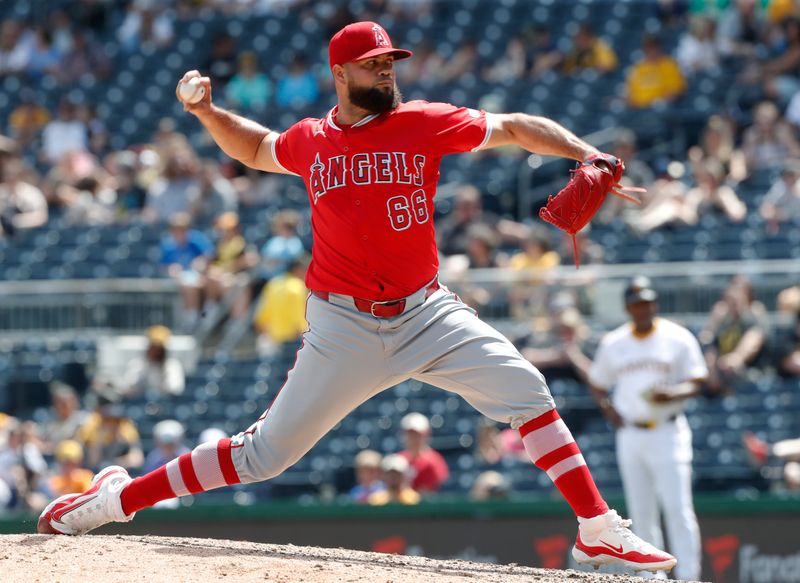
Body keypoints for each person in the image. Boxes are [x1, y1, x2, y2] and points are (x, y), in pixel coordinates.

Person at [39, 21, 677, 575]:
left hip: (426, 312)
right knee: (264, 456)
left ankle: (597, 530)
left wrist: (584, 150)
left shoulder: (424, 121)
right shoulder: (312, 140)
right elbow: (257, 148)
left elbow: (512, 126)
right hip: (343, 325)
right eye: (373, 64)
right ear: (340, 73)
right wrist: (207, 114)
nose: (386, 71)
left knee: (529, 391)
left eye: (389, 61)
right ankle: (115, 500)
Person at [588, 277, 707, 582]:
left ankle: (689, 576)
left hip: (668, 430)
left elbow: (698, 379)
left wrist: (675, 392)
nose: (644, 308)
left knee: (678, 509)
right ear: (628, 307)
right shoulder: (614, 342)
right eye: (638, 303)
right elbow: (597, 383)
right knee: (641, 512)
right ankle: (653, 578)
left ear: (655, 304)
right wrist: (607, 408)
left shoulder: (676, 336)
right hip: (631, 432)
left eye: (648, 302)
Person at [120, 325, 185, 398]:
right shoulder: (138, 364)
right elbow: (128, 386)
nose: (155, 351)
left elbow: (175, 389)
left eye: (158, 349)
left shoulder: (172, 365)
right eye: (153, 347)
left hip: (165, 404)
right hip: (141, 404)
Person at [397, 412, 449, 494]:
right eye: (410, 434)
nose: (413, 438)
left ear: (426, 434)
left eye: (417, 434)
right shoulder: (399, 459)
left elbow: (434, 490)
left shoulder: (434, 461)